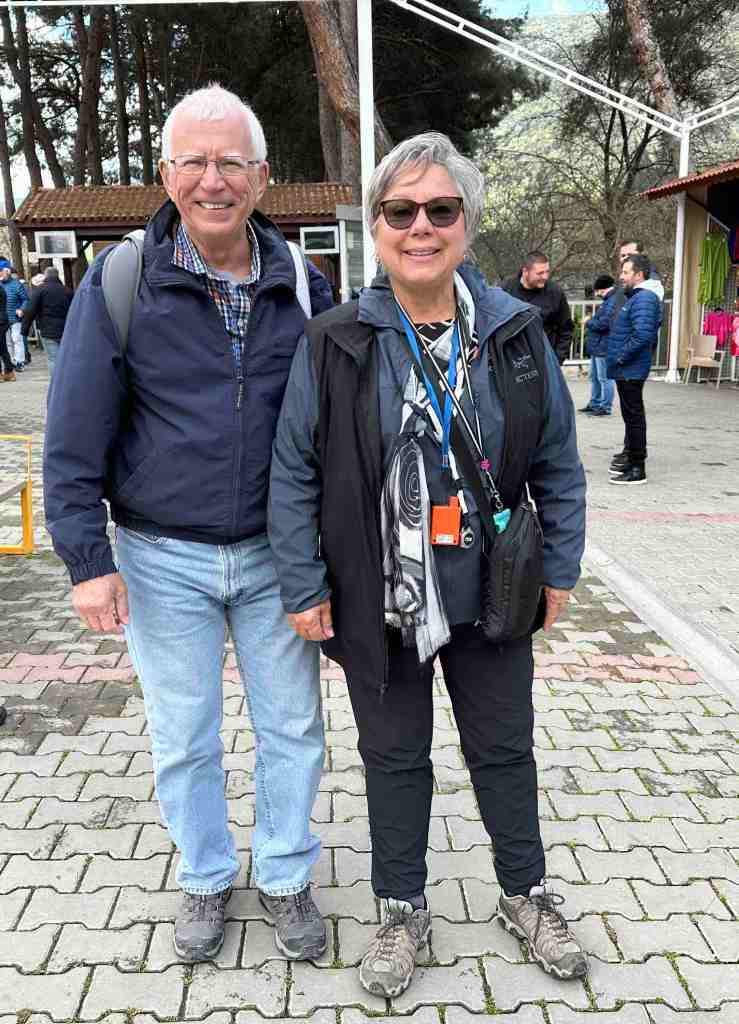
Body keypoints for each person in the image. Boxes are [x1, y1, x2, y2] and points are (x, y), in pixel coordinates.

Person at [269, 132, 587, 998]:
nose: (420, 226)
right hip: (380, 594)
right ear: (375, 227)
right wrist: (303, 583)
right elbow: (293, 468)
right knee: (394, 758)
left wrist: (560, 569)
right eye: (400, 210)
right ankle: (401, 908)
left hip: (493, 588)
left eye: (440, 209)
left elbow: (557, 460)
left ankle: (525, 895)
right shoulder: (335, 339)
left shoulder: (514, 334)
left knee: (504, 750)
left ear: (466, 225)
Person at [44, 84, 333, 964]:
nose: (214, 180)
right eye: (195, 162)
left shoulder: (305, 286)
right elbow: (73, 429)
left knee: (293, 729)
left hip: (278, 557)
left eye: (231, 162)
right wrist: (87, 559)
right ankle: (205, 875)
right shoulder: (122, 280)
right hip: (160, 556)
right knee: (184, 735)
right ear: (167, 175)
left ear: (262, 177)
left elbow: (333, 432)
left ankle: (283, 874)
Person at [607, 253, 663, 485]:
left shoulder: (645, 298)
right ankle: (632, 459)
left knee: (634, 417)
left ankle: (637, 468)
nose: (622, 276)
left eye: (626, 272)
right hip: (627, 368)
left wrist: (621, 356)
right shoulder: (638, 296)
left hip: (630, 368)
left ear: (639, 275)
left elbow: (642, 335)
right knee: (631, 417)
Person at [502, 251, 574, 364]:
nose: (545, 277)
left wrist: (557, 359)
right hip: (512, 362)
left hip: (545, 362)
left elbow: (566, 329)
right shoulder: (506, 289)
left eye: (547, 272)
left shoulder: (555, 293)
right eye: (540, 273)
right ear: (525, 271)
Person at [22, 267, 73, 381]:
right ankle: (67, 381)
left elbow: (30, 310)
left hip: (47, 329)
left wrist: (24, 329)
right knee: (65, 357)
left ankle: (57, 383)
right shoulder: (67, 291)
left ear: (46, 276)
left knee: (53, 358)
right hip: (66, 329)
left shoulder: (40, 290)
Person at [580, 273, 616, 416]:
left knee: (604, 378)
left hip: (604, 346)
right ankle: (595, 403)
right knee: (594, 377)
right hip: (598, 345)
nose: (596, 294)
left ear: (603, 289)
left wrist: (588, 321)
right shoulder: (608, 301)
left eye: (597, 290)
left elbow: (604, 324)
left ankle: (605, 407)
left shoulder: (611, 302)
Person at [0, 266, 29, 371]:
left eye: (2, 272)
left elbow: (25, 299)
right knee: (7, 341)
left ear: (8, 272)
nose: (1, 274)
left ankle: (19, 362)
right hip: (3, 319)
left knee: (17, 339)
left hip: (15, 317)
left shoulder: (17, 284)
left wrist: (21, 309)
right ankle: (11, 361)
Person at [0, 291, 13, 382]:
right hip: (3, 321)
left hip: (1, 321)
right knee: (3, 348)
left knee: (3, 348)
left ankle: (2, 374)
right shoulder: (2, 289)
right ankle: (9, 373)